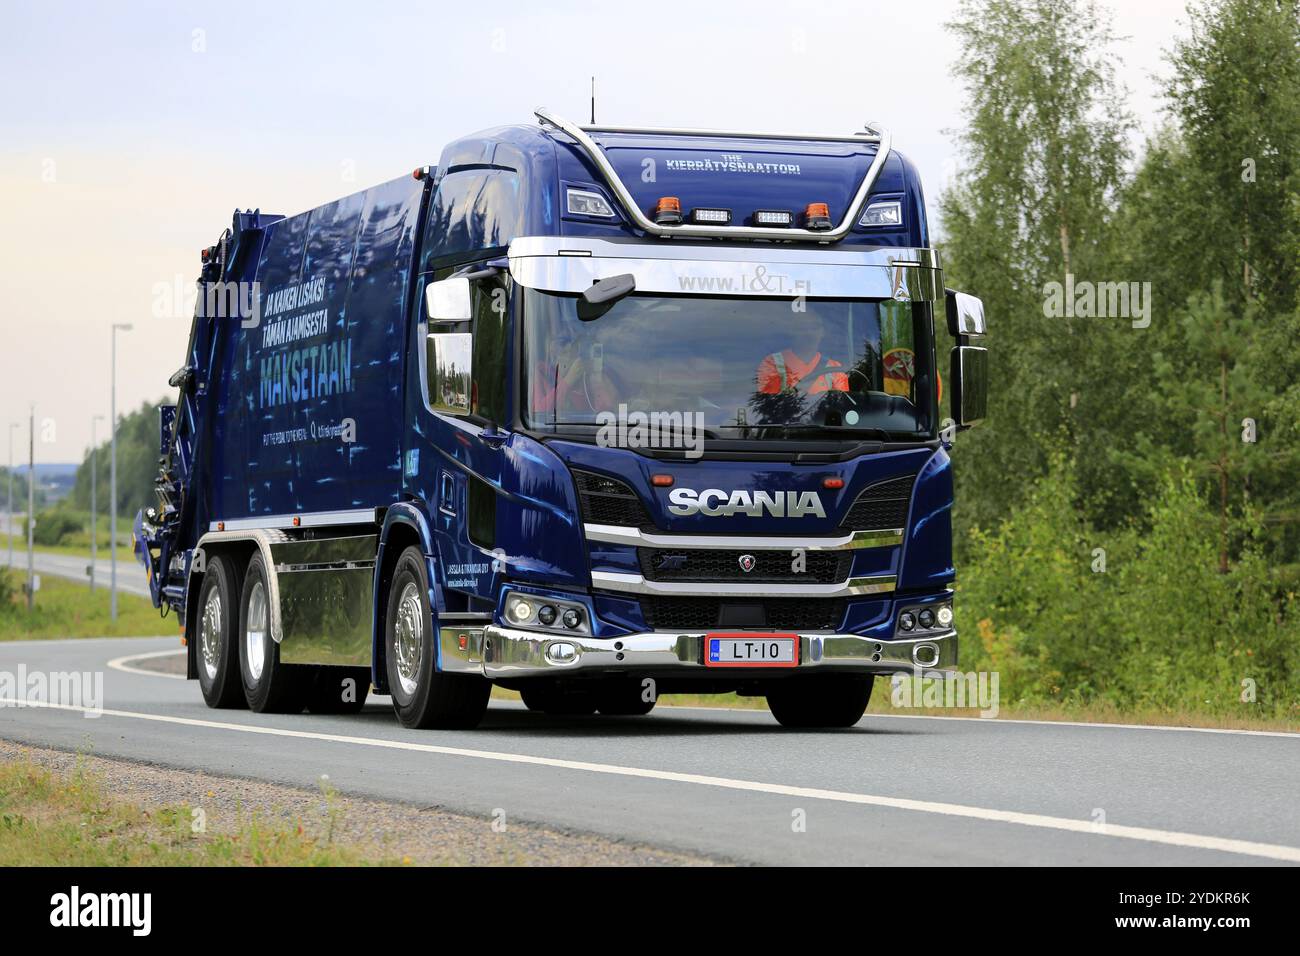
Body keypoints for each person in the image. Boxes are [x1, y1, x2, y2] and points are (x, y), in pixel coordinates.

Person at [755, 312, 849, 395]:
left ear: (822, 332)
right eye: (802, 327)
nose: (809, 332)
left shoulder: (834, 368)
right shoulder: (772, 363)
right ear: (792, 332)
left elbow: (841, 404)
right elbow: (768, 405)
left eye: (814, 327)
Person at [531, 325, 618, 416]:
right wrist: (567, 381)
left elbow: (607, 409)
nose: (568, 358)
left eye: (572, 352)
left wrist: (597, 379)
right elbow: (539, 412)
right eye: (563, 352)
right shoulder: (542, 374)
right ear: (552, 354)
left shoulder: (587, 377)